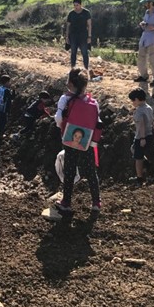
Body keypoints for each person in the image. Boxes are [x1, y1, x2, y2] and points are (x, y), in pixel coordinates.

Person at [54, 69, 101, 216]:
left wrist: (62, 127)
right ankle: (96, 202)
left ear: (70, 83)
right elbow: (97, 122)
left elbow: (59, 119)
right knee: (90, 171)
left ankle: (66, 203)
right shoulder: (93, 102)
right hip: (87, 142)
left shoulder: (65, 99)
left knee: (69, 170)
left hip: (69, 140)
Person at [128, 87, 154, 186]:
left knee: (137, 158)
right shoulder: (148, 108)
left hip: (141, 136)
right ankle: (146, 162)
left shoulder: (139, 111)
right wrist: (153, 125)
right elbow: (151, 118)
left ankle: (139, 178)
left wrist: (142, 138)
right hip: (149, 134)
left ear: (137, 100)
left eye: (133, 100)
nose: (132, 103)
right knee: (133, 149)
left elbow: (142, 123)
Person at [65, 0, 92, 70]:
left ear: (80, 4)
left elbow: (89, 25)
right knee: (73, 52)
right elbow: (68, 26)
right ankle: (73, 68)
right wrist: (67, 37)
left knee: (84, 52)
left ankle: (86, 68)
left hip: (83, 35)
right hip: (73, 35)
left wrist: (89, 36)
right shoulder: (71, 14)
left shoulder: (86, 13)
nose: (75, 7)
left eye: (77, 5)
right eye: (74, 5)